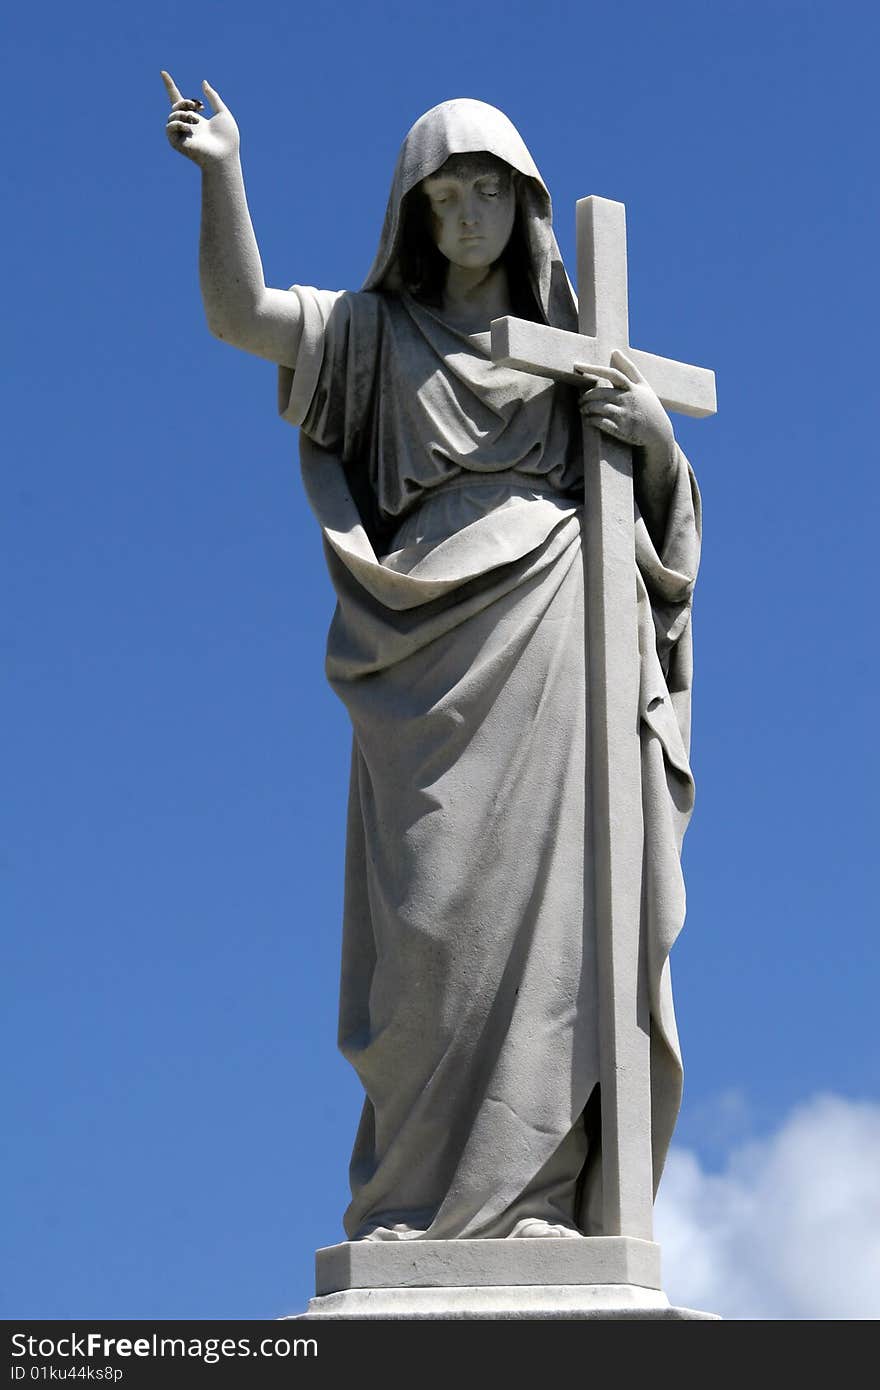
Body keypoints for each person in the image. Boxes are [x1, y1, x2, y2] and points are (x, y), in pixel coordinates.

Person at [162, 76, 701, 1242]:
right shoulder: (371, 336)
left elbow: (662, 526)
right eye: (446, 192)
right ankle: (415, 1198)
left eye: (490, 192)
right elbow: (240, 313)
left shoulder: (574, 357)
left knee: (561, 921)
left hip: (558, 630)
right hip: (420, 657)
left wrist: (649, 441)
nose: (467, 214)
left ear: (525, 207)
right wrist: (223, 173)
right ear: (413, 209)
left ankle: (541, 1199)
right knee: (433, 926)